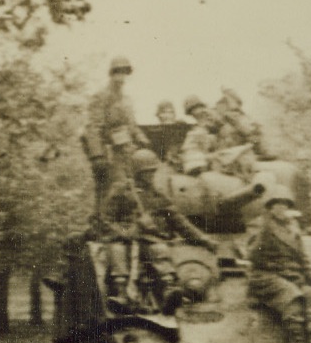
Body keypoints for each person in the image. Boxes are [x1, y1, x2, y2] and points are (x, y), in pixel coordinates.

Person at [102, 148, 216, 314]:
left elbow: (180, 222)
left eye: (152, 172)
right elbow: (106, 219)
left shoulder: (157, 195)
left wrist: (204, 239)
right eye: (145, 173)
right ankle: (121, 295)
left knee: (159, 249)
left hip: (149, 239)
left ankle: (170, 289)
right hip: (124, 239)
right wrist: (124, 232)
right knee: (117, 250)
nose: (150, 176)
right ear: (137, 173)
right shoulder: (121, 191)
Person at [247, 186, 311, 343]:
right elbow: (252, 255)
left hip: (292, 278)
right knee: (293, 297)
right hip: (265, 277)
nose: (282, 208)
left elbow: (305, 263)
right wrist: (263, 233)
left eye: (285, 205)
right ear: (270, 208)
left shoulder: (293, 229)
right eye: (277, 205)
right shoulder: (259, 225)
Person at [82, 57, 150, 221]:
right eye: (118, 72)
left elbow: (132, 125)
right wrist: (97, 155)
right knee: (108, 189)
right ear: (111, 74)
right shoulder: (101, 96)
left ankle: (124, 222)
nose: (121, 77)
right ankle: (101, 224)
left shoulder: (126, 100)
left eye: (125, 73)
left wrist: (141, 138)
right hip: (108, 151)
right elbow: (94, 126)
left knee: (129, 185)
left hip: (125, 150)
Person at [214, 88, 272, 159]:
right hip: (233, 151)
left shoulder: (238, 116)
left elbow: (251, 132)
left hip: (240, 150)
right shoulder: (232, 117)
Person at [179, 96, 218, 175]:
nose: (196, 112)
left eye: (198, 107)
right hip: (200, 158)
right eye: (192, 110)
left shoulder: (212, 117)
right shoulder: (195, 130)